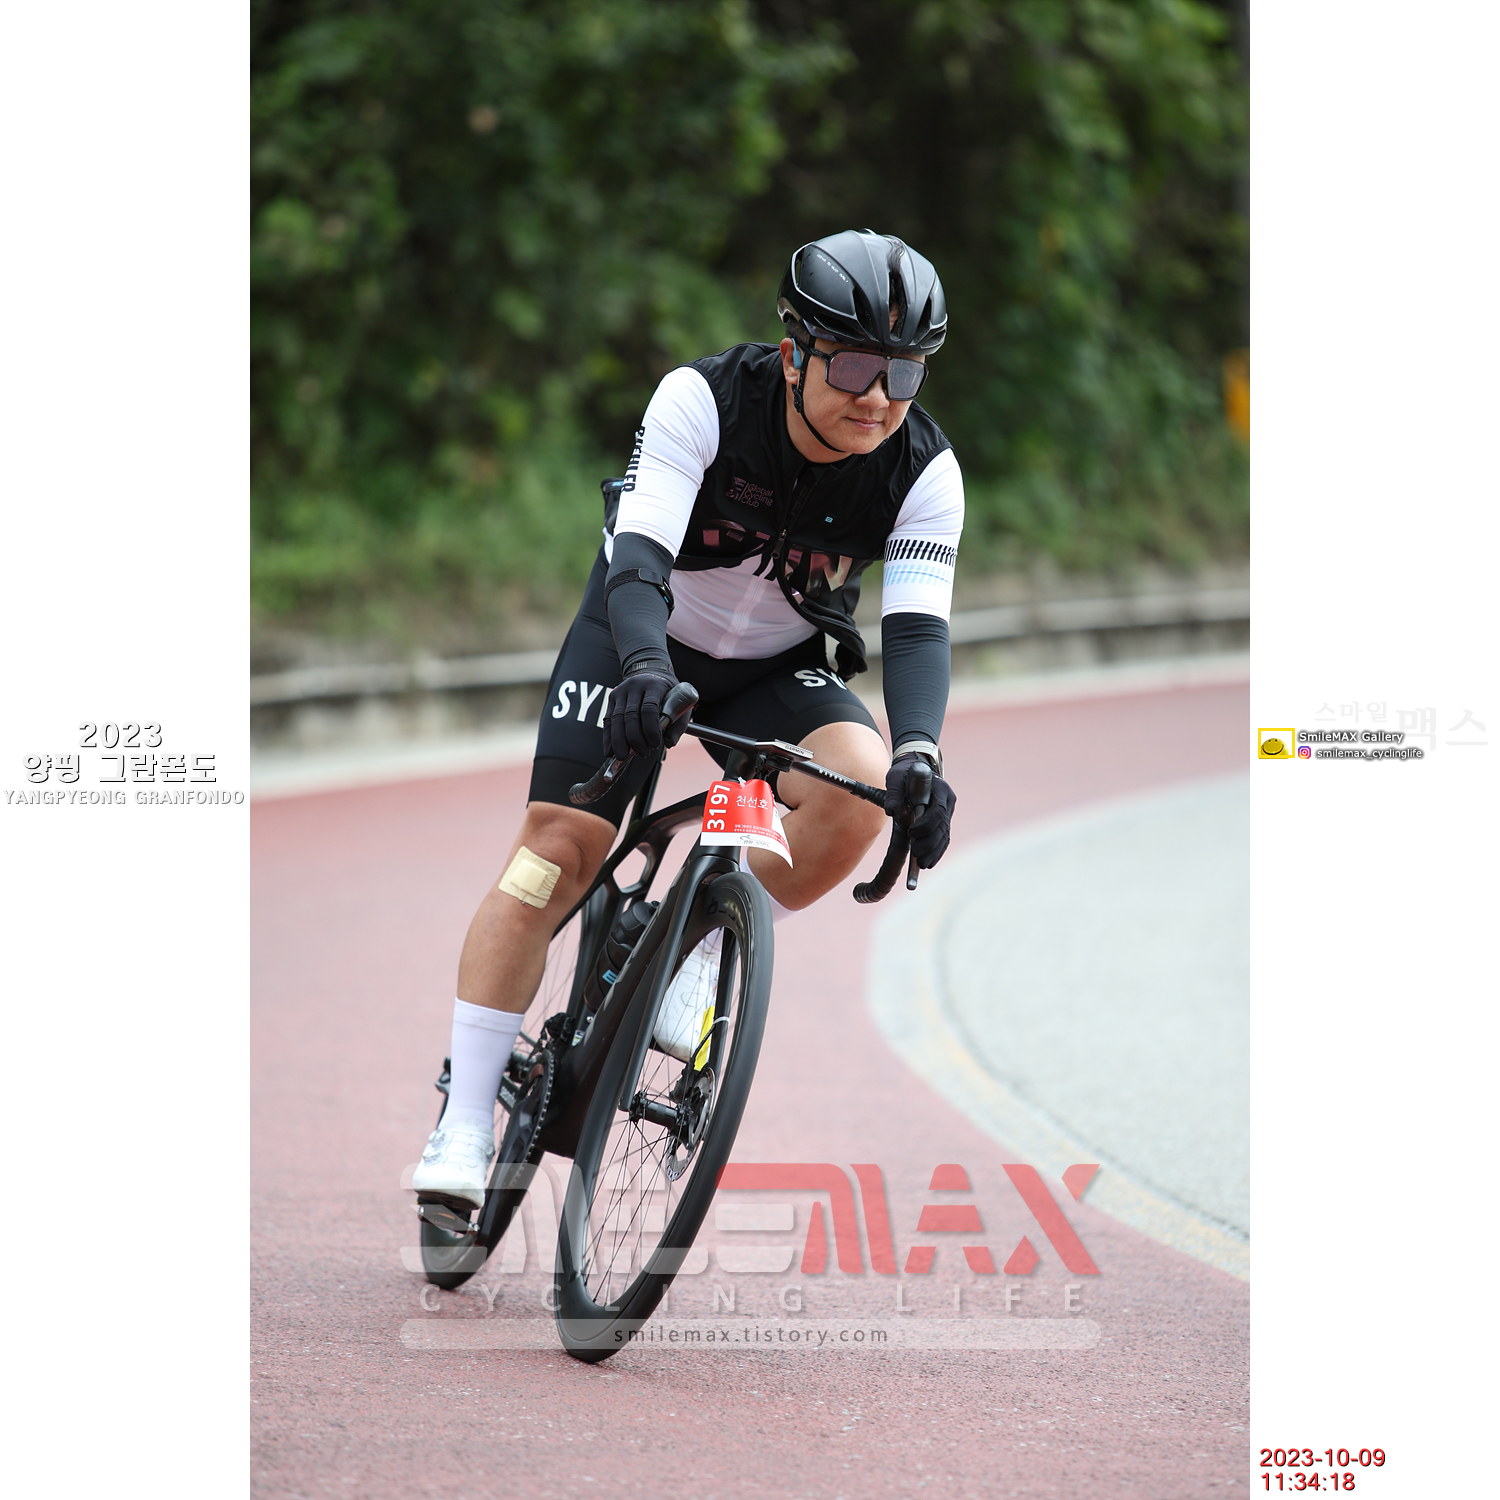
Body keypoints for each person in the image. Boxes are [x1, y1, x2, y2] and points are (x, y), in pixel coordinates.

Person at [413, 229, 962, 1211]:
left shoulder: (922, 469)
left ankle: (703, 947)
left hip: (777, 666)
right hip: (639, 637)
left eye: (905, 372)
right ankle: (464, 1122)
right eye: (854, 366)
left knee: (865, 787)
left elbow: (918, 631)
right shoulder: (702, 400)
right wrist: (642, 668)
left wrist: (921, 753)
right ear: (794, 354)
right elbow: (638, 561)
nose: (879, 396)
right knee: (555, 851)